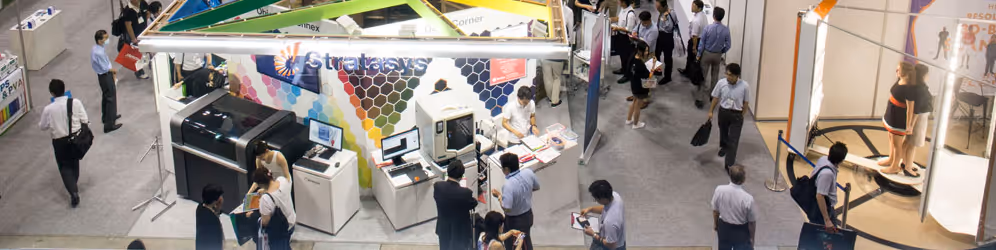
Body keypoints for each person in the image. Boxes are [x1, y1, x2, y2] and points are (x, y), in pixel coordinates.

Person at [39, 79, 89, 207]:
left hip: (59, 142)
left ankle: (73, 192)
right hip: (76, 139)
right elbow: (85, 119)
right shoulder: (75, 102)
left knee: (64, 166)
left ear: (52, 93)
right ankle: (73, 185)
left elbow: (43, 126)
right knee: (74, 162)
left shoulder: (48, 109)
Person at [490, 153, 540, 250]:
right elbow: (536, 186)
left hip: (515, 221)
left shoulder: (508, 186)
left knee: (513, 243)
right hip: (528, 216)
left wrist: (500, 196)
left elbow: (507, 208)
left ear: (506, 169)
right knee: (525, 239)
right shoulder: (528, 173)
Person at [878, 62, 919, 177]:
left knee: (897, 144)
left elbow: (910, 110)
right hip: (891, 114)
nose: (896, 71)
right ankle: (891, 159)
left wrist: (909, 126)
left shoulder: (909, 89)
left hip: (898, 119)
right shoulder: (900, 80)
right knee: (891, 137)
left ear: (905, 72)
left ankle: (895, 166)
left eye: (898, 69)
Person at [706, 64, 750, 170]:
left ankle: (729, 163)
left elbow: (746, 103)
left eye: (731, 75)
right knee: (723, 132)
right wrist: (711, 111)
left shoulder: (745, 86)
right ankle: (724, 147)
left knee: (734, 139)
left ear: (737, 76)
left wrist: (741, 115)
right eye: (727, 74)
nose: (728, 77)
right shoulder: (721, 83)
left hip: (737, 114)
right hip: (723, 112)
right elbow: (716, 98)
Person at [433, 160, 479, 250]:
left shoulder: (438, 186)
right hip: (460, 232)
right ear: (461, 176)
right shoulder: (465, 193)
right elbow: (473, 203)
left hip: (443, 229)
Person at [711, 165, 756, 250]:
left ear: (730, 176)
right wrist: (752, 239)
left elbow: (715, 211)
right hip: (740, 232)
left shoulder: (719, 190)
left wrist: (716, 224)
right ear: (743, 180)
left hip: (724, 228)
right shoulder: (748, 198)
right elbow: (752, 223)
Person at [250, 167, 296, 249]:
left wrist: (253, 215)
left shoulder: (265, 199)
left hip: (279, 231)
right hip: (291, 221)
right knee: (285, 244)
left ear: (260, 184)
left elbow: (265, 222)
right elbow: (277, 191)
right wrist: (265, 190)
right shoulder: (282, 180)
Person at [697, 7, 731, 109]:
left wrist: (699, 54)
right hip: (717, 55)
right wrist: (721, 51)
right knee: (715, 76)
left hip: (706, 54)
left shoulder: (708, 28)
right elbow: (728, 45)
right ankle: (713, 95)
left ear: (714, 16)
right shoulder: (726, 30)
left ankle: (700, 99)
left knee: (703, 76)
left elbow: (702, 43)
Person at [810, 142, 848, 231]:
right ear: (841, 160)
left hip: (825, 206)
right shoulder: (827, 174)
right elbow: (820, 196)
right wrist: (827, 220)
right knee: (829, 235)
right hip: (824, 209)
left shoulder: (823, 159)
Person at [902, 64, 932, 174]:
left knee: (907, 142)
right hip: (918, 119)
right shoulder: (920, 89)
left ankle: (904, 162)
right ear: (923, 75)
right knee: (912, 144)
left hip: (916, 118)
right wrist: (910, 125)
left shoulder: (914, 86)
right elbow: (916, 110)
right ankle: (908, 168)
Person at [91, 30, 122, 133]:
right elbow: (105, 67)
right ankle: (109, 124)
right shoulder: (99, 52)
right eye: (105, 38)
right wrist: (114, 71)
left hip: (101, 76)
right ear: (100, 40)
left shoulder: (96, 48)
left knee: (106, 96)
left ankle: (107, 117)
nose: (107, 39)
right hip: (106, 75)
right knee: (111, 98)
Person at [580, 180, 626, 250]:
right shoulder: (615, 196)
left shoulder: (610, 222)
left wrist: (593, 234)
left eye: (596, 199)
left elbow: (612, 245)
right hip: (618, 241)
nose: (596, 200)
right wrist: (591, 209)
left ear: (603, 198)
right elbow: (606, 208)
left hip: (609, 246)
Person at [119, 0, 149, 79]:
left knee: (145, 51)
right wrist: (133, 39)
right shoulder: (128, 11)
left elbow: (147, 13)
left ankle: (148, 63)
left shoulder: (143, 3)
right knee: (136, 54)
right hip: (135, 35)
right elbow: (128, 26)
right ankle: (139, 72)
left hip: (144, 33)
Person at [611, 0, 639, 84]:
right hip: (620, 36)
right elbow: (620, 18)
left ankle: (628, 75)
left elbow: (629, 29)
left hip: (627, 38)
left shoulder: (630, 14)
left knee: (627, 57)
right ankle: (623, 69)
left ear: (624, 2)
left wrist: (618, 28)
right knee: (622, 54)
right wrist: (611, 19)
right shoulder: (623, 9)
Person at [626, 41, 652, 130]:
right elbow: (647, 76)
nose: (647, 53)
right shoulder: (640, 65)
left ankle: (629, 119)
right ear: (640, 51)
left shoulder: (633, 57)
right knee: (638, 106)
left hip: (634, 85)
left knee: (634, 102)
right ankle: (636, 124)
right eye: (645, 51)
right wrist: (652, 69)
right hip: (640, 87)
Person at [678, 0, 707, 79]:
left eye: (694, 6)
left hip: (695, 41)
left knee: (691, 58)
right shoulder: (703, 15)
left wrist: (694, 47)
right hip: (701, 40)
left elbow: (695, 35)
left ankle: (690, 74)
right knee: (696, 58)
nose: (692, 7)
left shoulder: (696, 20)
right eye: (692, 5)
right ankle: (690, 72)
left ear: (699, 8)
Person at [654, 0, 678, 85]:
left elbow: (669, 27)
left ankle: (667, 77)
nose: (657, 9)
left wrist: (664, 19)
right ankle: (657, 70)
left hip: (667, 37)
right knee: (656, 53)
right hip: (659, 35)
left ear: (664, 6)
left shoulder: (671, 13)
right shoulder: (662, 11)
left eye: (659, 7)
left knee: (667, 58)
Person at [196, 184, 225, 250]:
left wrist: (218, 208)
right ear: (216, 200)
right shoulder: (213, 220)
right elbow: (217, 241)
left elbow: (214, 212)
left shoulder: (200, 207)